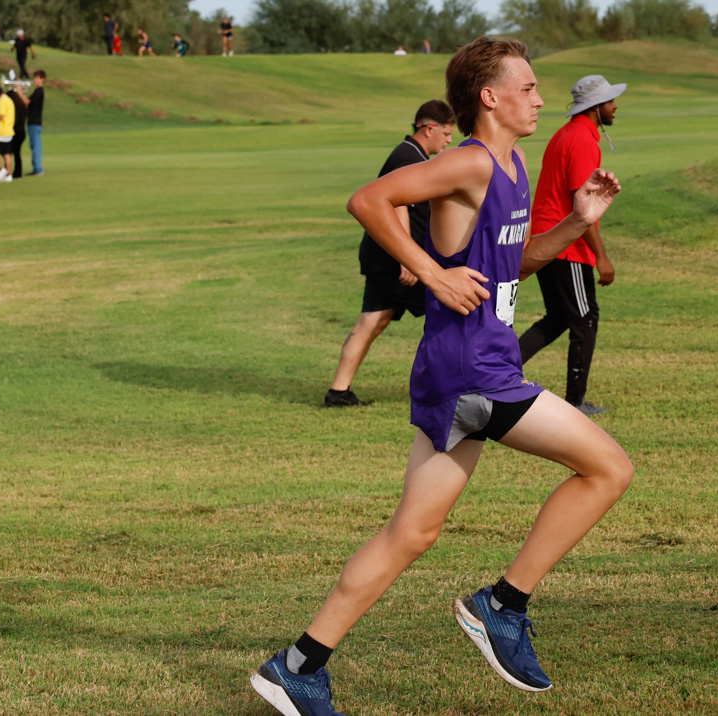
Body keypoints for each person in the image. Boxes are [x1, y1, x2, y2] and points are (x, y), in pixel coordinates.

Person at [249, 36, 632, 716]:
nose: (541, 99)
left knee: (412, 534)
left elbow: (510, 266)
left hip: (466, 369)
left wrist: (577, 221)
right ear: (490, 97)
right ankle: (501, 605)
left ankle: (296, 667)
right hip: (472, 371)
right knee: (607, 469)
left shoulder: (510, 167)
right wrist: (429, 273)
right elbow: (368, 200)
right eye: (528, 88)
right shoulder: (470, 162)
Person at [324, 100, 456, 408]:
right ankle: (444, 389)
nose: (449, 141)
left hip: (382, 259)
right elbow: (397, 204)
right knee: (448, 313)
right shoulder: (409, 158)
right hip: (397, 263)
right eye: (447, 134)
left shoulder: (409, 153)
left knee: (372, 321)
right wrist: (407, 258)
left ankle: (338, 392)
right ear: (429, 128)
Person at [516, 74, 626, 417]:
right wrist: (601, 256)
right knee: (584, 319)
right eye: (610, 101)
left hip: (552, 238)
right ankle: (576, 402)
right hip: (565, 243)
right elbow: (582, 206)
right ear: (595, 108)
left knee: (560, 318)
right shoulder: (580, 139)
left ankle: (496, 370)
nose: (615, 106)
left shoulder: (569, 134)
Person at [19, 69, 45, 176]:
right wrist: (21, 92)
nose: (34, 80)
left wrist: (19, 90)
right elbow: (27, 101)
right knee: (34, 145)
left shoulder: (39, 91)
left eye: (36, 78)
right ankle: (37, 168)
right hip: (33, 122)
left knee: (35, 146)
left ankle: (38, 169)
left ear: (42, 79)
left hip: (34, 122)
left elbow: (26, 101)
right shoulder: (37, 91)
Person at [8, 85, 27, 179]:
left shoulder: (14, 107)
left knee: (10, 152)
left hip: (16, 132)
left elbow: (15, 121)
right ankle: (16, 172)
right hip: (22, 132)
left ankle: (11, 172)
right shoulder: (21, 106)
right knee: (16, 153)